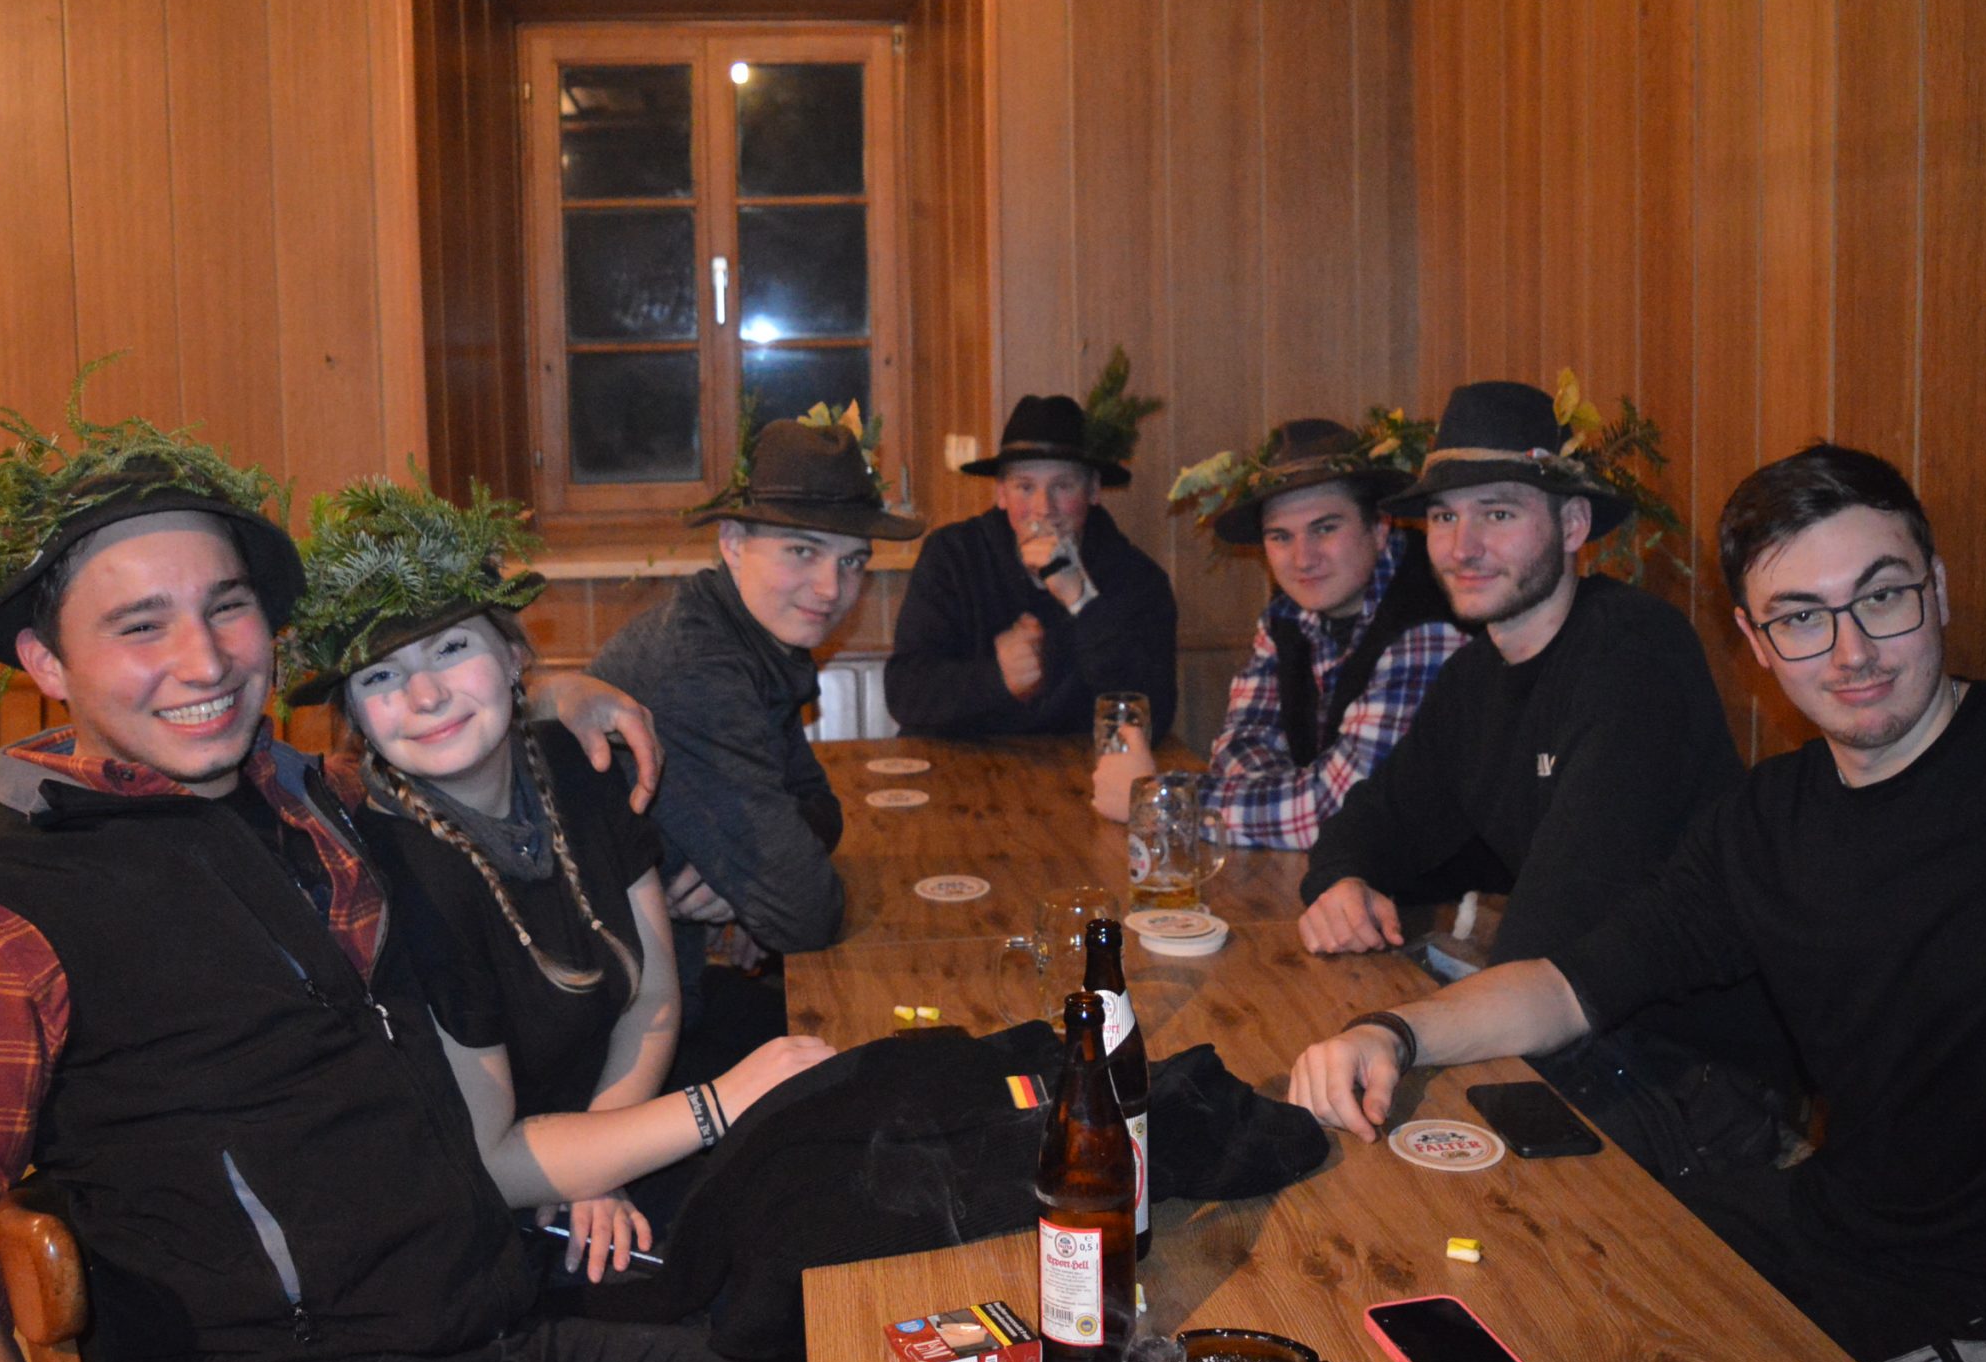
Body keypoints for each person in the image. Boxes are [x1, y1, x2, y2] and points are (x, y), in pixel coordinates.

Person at [1289, 442, 1986, 1362]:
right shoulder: (1767, 823)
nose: (1851, 651)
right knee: (1536, 1284)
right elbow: (1569, 983)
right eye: (1801, 617)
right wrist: (1391, 1033)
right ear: (1755, 643)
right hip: (1846, 1231)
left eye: (1882, 597)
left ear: (1938, 591)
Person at [0, 403, 729, 1362]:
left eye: (226, 607)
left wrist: (558, 687)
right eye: (141, 627)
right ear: (47, 663)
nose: (206, 661)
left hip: (499, 1319)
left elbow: (453, 727)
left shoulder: (320, 797)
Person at [283, 478, 835, 1288]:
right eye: (378, 677)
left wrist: (605, 1153)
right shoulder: (399, 879)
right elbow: (489, 1160)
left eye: (451, 649)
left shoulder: (578, 762)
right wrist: (713, 1107)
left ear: (515, 657)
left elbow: (651, 996)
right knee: (782, 1270)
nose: (425, 695)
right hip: (499, 1221)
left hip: (615, 1120)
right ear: (356, 718)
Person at [1295, 380, 1796, 1173]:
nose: (1462, 546)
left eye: (1497, 514)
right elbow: (1376, 820)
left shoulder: (1635, 657)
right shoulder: (1475, 677)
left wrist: (1393, 1028)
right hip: (1563, 1035)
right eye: (1444, 518)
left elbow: (1553, 942)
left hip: (1694, 1085)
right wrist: (1342, 879)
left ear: (1572, 525)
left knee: (1377, 1164)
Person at [587, 411, 922, 1069]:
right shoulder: (698, 669)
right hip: (619, 1043)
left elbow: (820, 808)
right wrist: (762, 887)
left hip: (670, 991)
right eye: (802, 551)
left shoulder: (753, 643)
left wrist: (744, 885)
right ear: (733, 543)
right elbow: (805, 913)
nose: (831, 589)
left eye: (852, 561)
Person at [1101, 413, 1467, 845]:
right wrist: (1292, 802)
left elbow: (1344, 810)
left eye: (1325, 529)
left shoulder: (1428, 622)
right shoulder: (1288, 615)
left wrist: (1157, 800)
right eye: (1280, 537)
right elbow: (1241, 742)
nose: (1302, 559)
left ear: (1380, 526)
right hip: (1341, 872)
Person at [886, 362, 1177, 740]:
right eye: (1025, 487)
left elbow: (1154, 715)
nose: (1043, 508)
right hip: (958, 764)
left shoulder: (1136, 577)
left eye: (1063, 486)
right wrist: (997, 678)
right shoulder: (953, 556)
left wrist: (1081, 600)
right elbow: (905, 693)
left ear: (1093, 491)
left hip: (1081, 769)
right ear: (1001, 494)